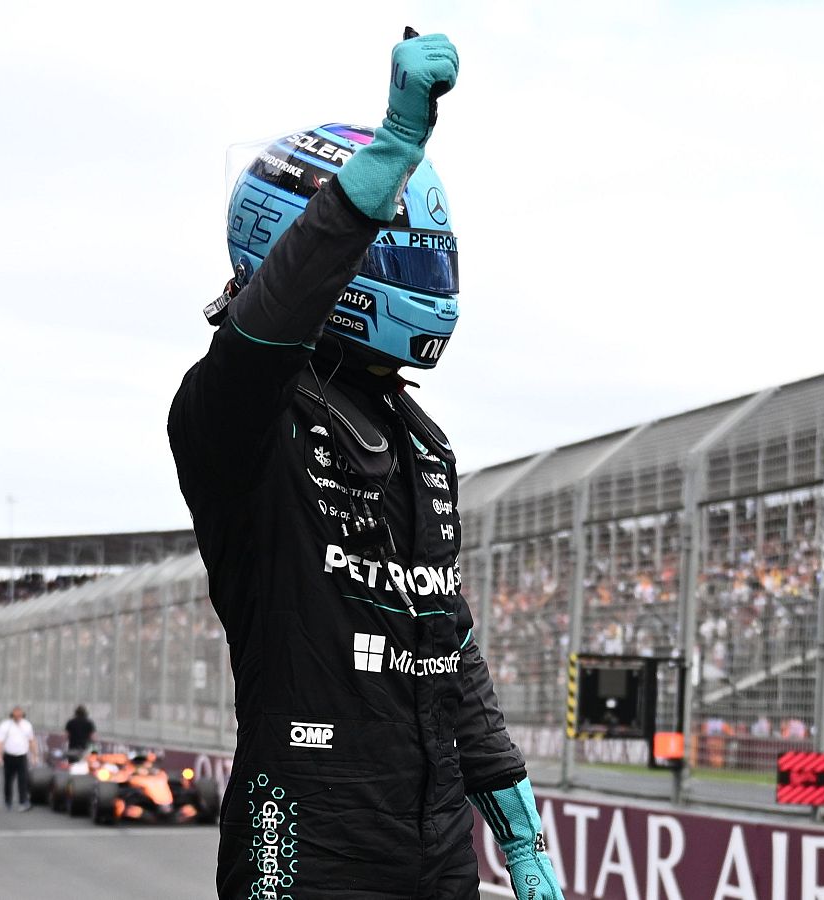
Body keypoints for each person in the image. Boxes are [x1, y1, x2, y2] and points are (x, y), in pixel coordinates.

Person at [169, 30, 560, 900]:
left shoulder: (423, 441)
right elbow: (264, 333)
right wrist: (387, 157)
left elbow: (446, 637)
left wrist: (519, 827)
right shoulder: (237, 418)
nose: (432, 277)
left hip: (434, 830)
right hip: (300, 830)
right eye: (404, 248)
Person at [0, 706, 35, 810]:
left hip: (22, 756)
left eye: (20, 715)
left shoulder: (27, 725)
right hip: (9, 756)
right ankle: (8, 801)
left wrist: (34, 755)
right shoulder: (5, 725)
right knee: (8, 780)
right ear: (12, 715)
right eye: (16, 715)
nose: (18, 717)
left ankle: (23, 801)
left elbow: (31, 741)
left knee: (23, 779)